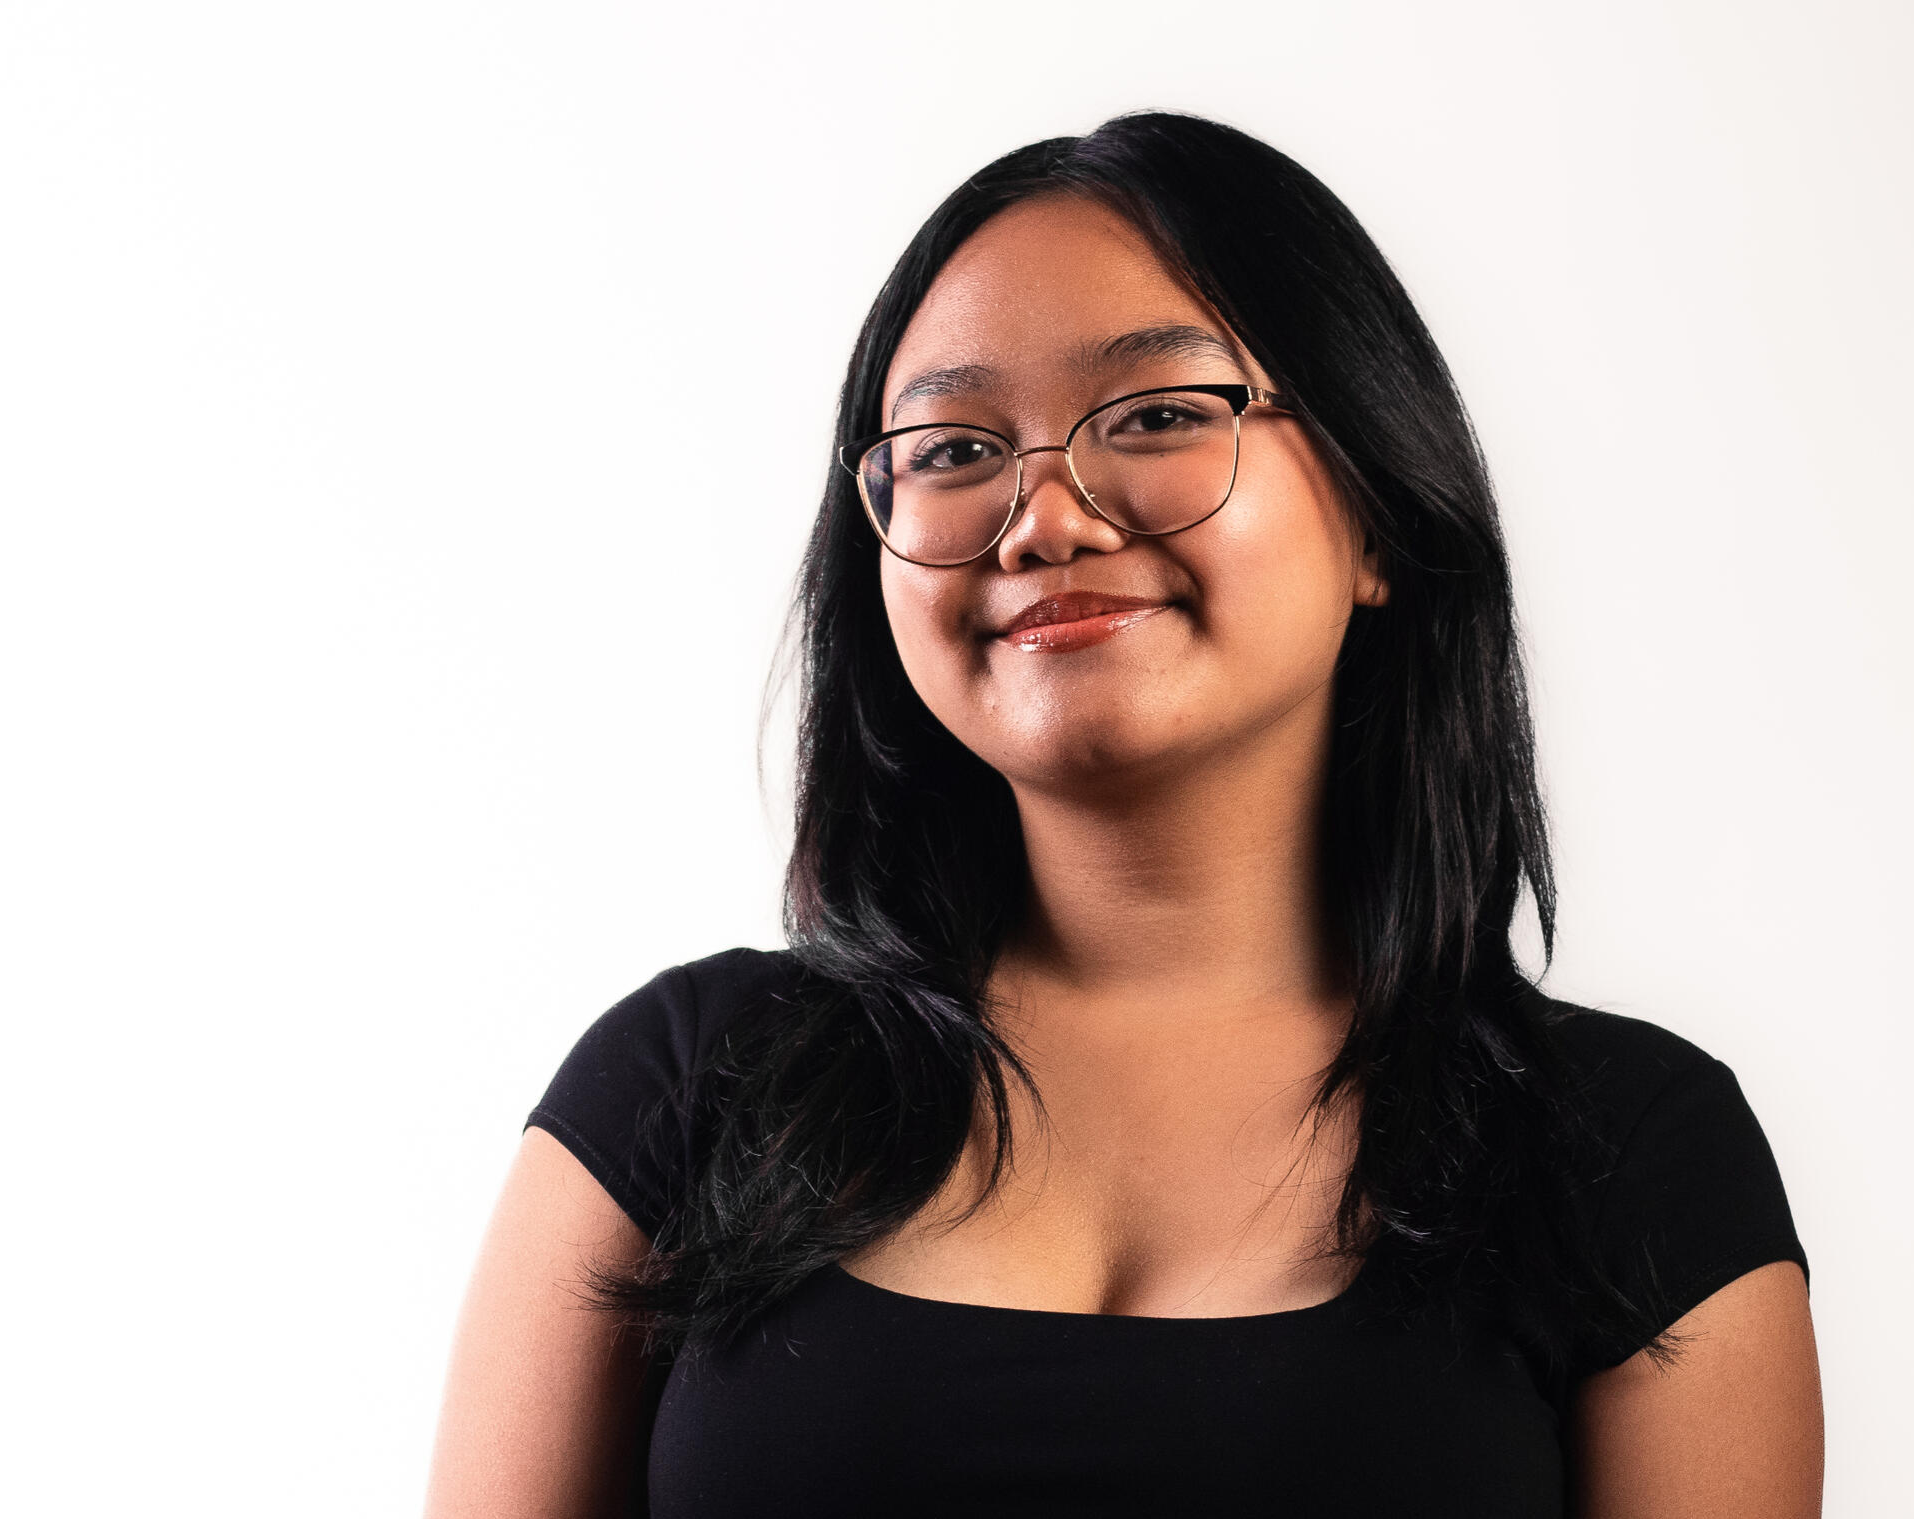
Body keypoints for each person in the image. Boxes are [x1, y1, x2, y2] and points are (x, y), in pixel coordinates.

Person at [426, 112, 1821, 1518]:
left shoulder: (1628, 1157)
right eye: (955, 448)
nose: (1046, 520)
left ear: (1381, 513)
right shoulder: (682, 1094)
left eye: (1156, 415)